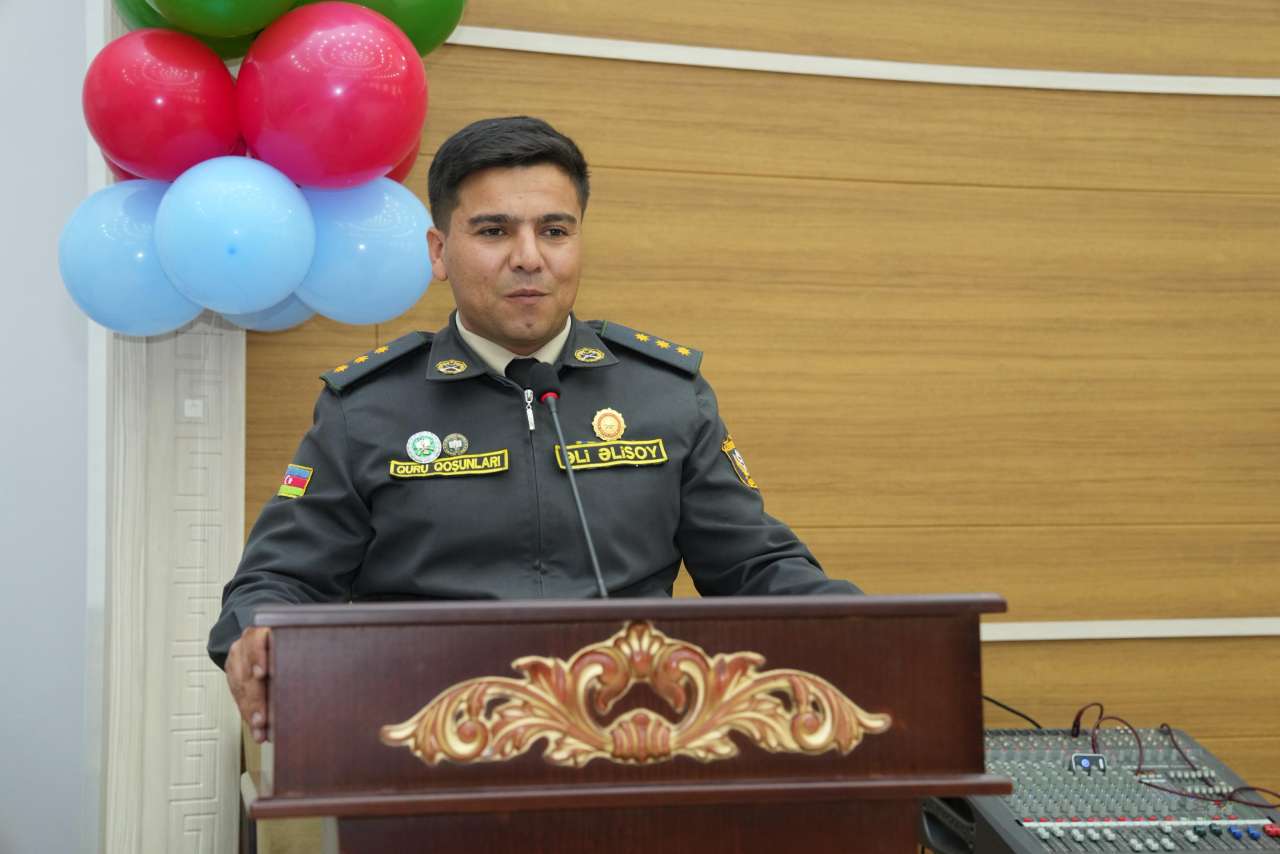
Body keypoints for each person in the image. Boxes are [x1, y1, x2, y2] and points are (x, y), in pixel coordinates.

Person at [209, 116, 859, 743]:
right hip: (427, 738)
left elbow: (753, 566)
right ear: (439, 252)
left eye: (554, 230)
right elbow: (280, 579)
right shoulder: (367, 409)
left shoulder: (665, 396)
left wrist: (865, 624)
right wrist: (258, 632)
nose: (529, 258)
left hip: (634, 735)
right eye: (494, 231)